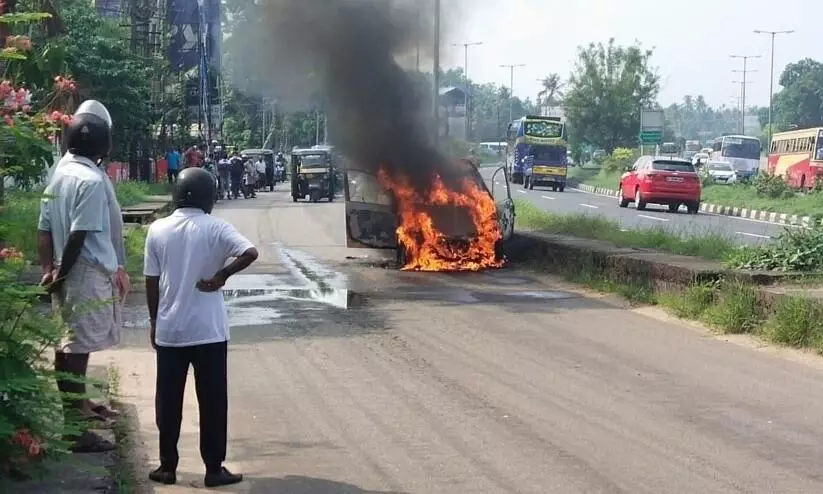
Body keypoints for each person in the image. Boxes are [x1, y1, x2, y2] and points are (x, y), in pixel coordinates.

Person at [143, 167, 258, 487]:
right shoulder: (217, 227)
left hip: (171, 330)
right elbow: (250, 252)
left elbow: (151, 280)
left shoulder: (157, 229)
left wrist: (154, 321)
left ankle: (167, 467)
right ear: (209, 197)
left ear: (176, 195)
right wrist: (222, 275)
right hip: (209, 332)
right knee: (212, 402)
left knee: (168, 401)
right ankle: (213, 469)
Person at [38, 100, 126, 452]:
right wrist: (62, 275)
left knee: (72, 344)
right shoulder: (89, 180)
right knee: (75, 348)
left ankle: (78, 408)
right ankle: (74, 431)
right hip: (83, 271)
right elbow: (78, 235)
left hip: (66, 268)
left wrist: (49, 270)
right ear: (102, 145)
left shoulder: (60, 173)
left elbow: (43, 228)